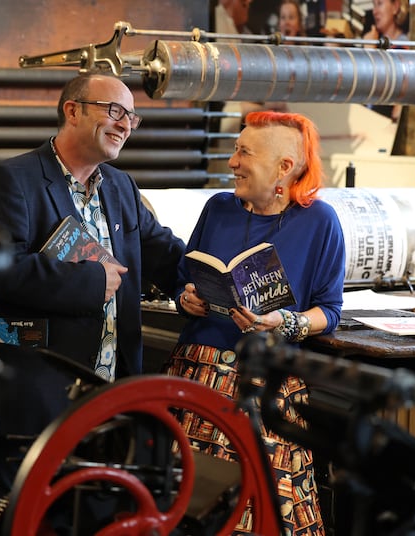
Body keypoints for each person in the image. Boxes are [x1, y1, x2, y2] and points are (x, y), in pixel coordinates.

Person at [0, 72, 186, 493]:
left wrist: (207, 281)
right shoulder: (13, 180)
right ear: (72, 111)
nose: (125, 124)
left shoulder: (121, 187)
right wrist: (90, 282)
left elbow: (163, 251)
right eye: (114, 111)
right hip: (40, 392)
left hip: (110, 392)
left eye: (132, 116)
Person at [165, 111, 345, 535]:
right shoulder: (218, 208)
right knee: (180, 504)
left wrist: (286, 323)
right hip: (196, 374)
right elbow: (182, 281)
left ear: (284, 167)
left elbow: (329, 311)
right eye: (234, 150)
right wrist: (186, 298)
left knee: (264, 509)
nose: (232, 162)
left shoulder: (320, 223)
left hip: (267, 383)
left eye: (244, 152)